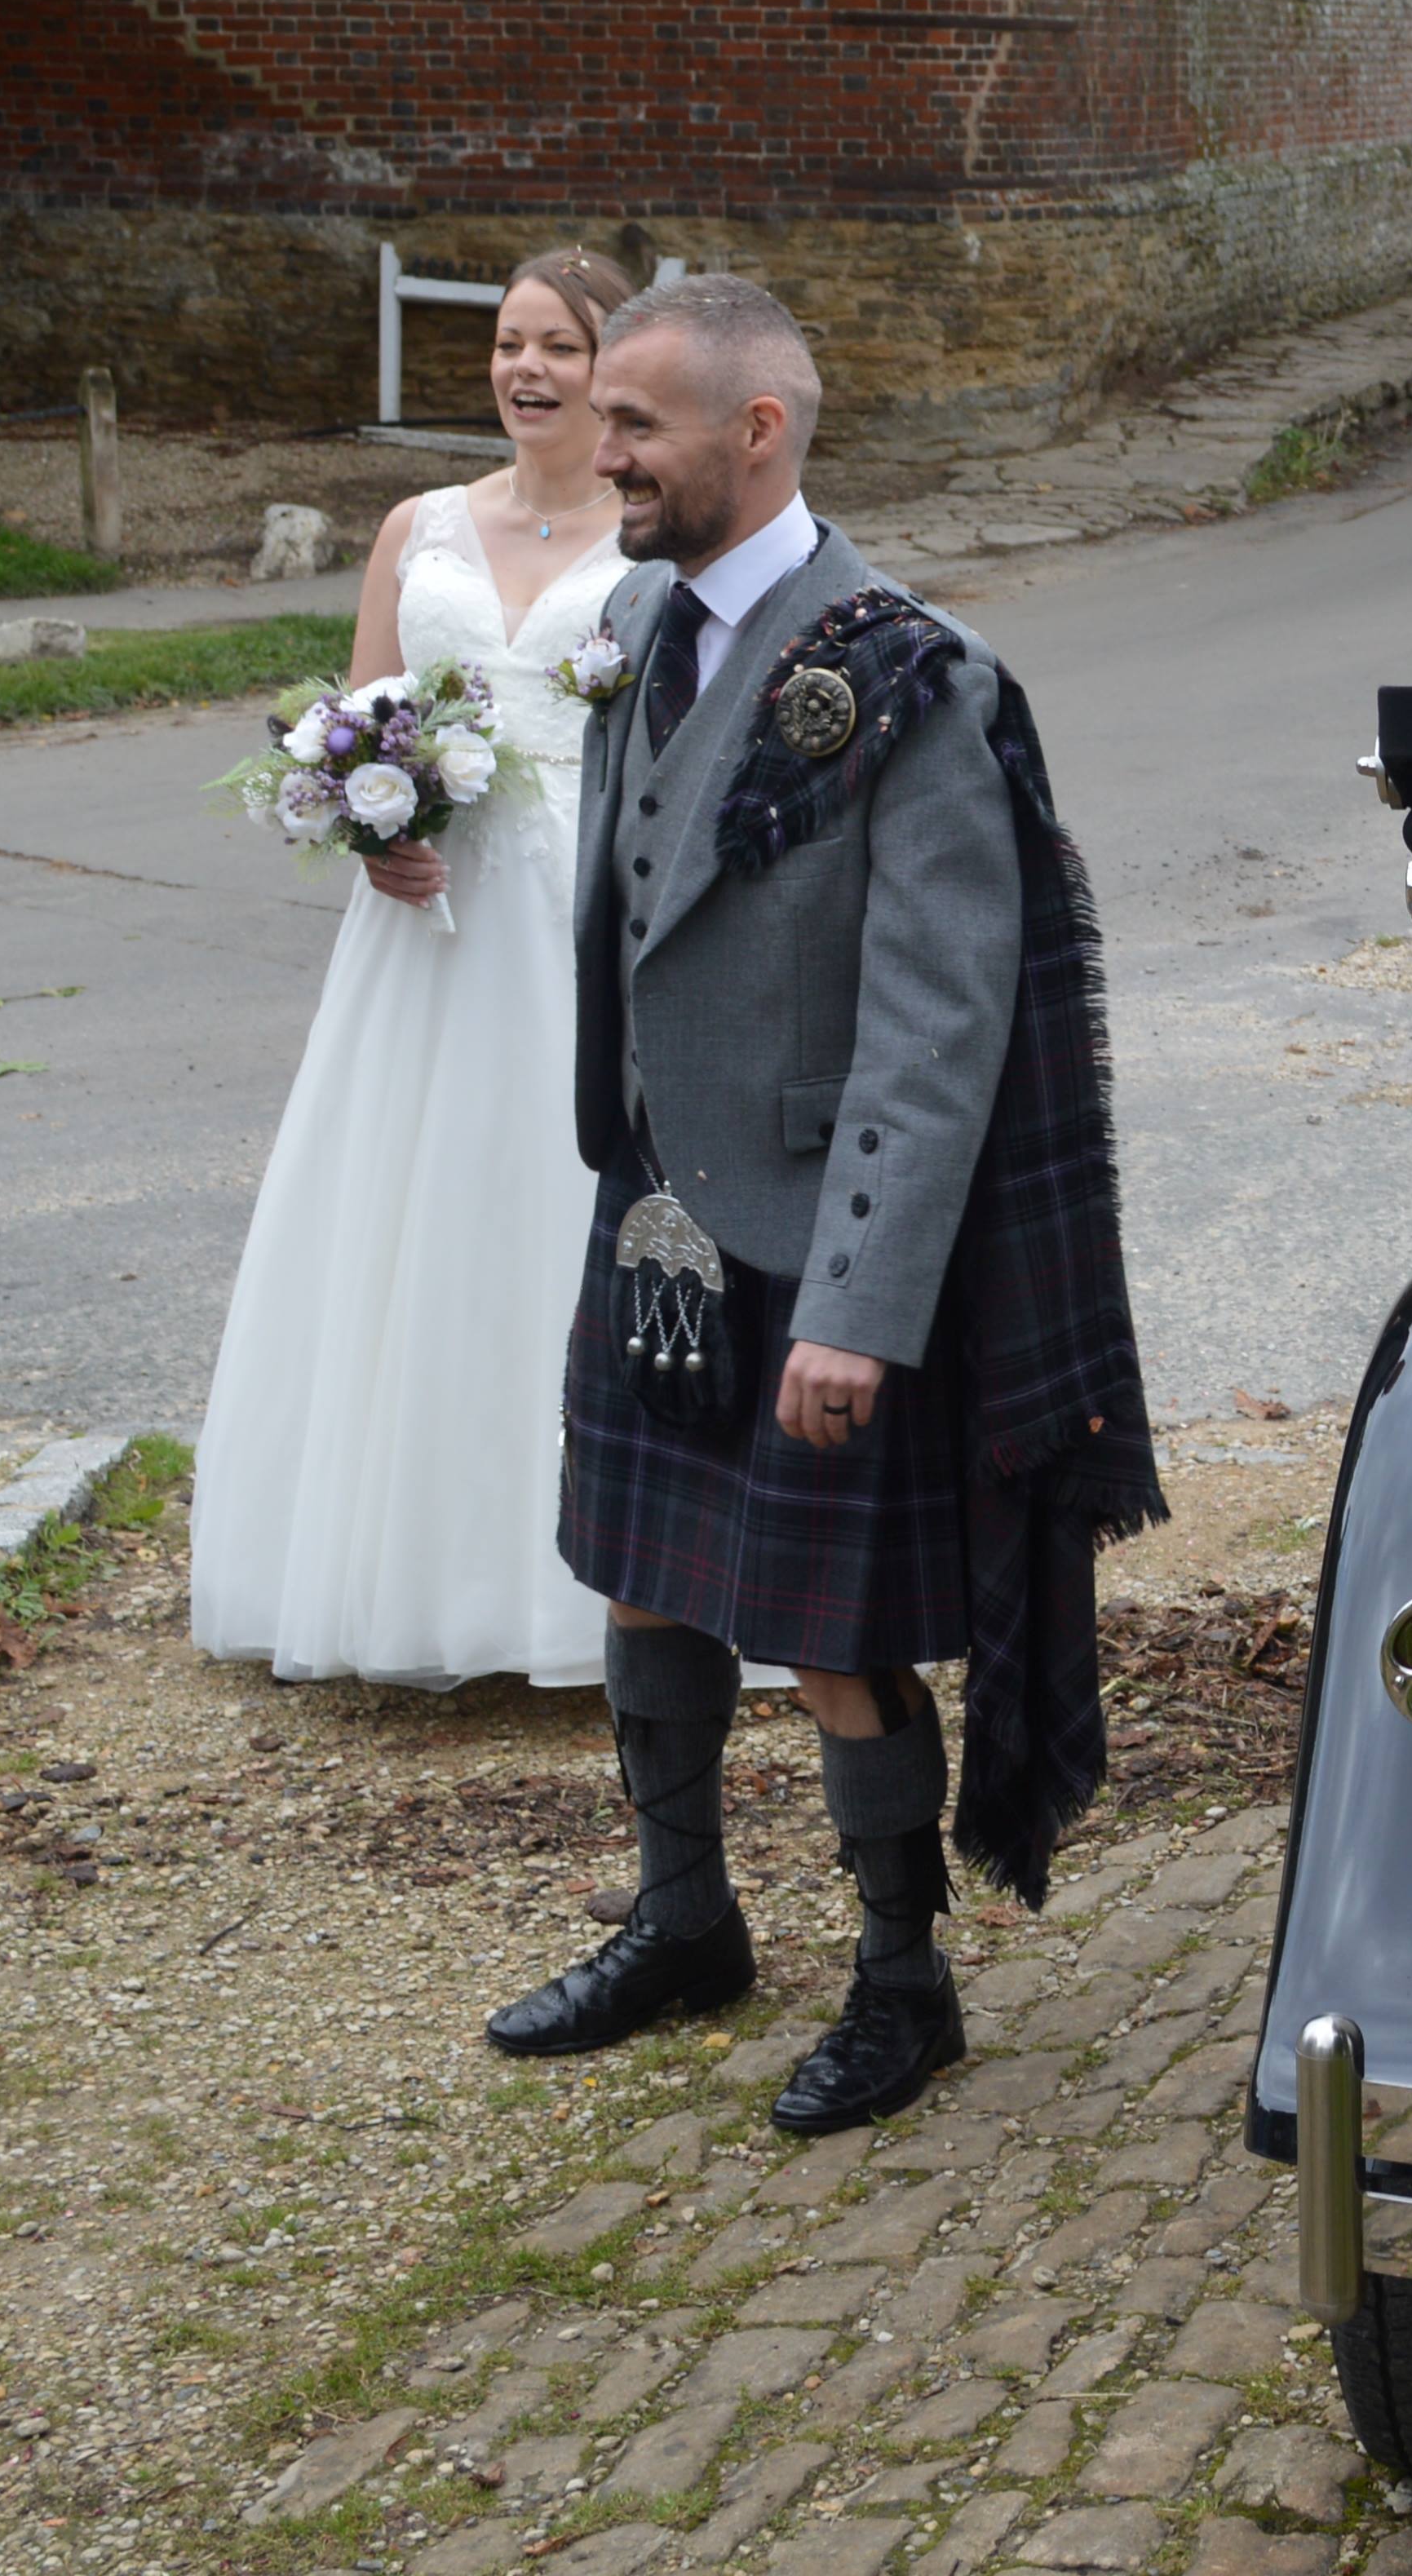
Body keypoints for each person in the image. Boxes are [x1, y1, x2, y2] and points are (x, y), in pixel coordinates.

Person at [484, 273, 1158, 2136]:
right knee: (641, 1580)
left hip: (814, 1238)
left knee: (830, 1635)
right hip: (658, 1217)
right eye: (594, 416)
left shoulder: (908, 672)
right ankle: (684, 1917)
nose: (590, 447)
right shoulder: (631, 613)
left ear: (754, 433)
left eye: (632, 424)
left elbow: (940, 1026)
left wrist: (863, 1303)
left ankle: (900, 1983)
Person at [190, 246, 641, 1690]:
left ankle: (594, 1585)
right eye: (510, 344)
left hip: (583, 907)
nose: (527, 371)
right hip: (425, 922)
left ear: (608, 367)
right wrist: (366, 816)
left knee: (557, 1208)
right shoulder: (418, 525)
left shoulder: (649, 536)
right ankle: (393, 1576)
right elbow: (352, 711)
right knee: (401, 1214)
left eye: (559, 348)